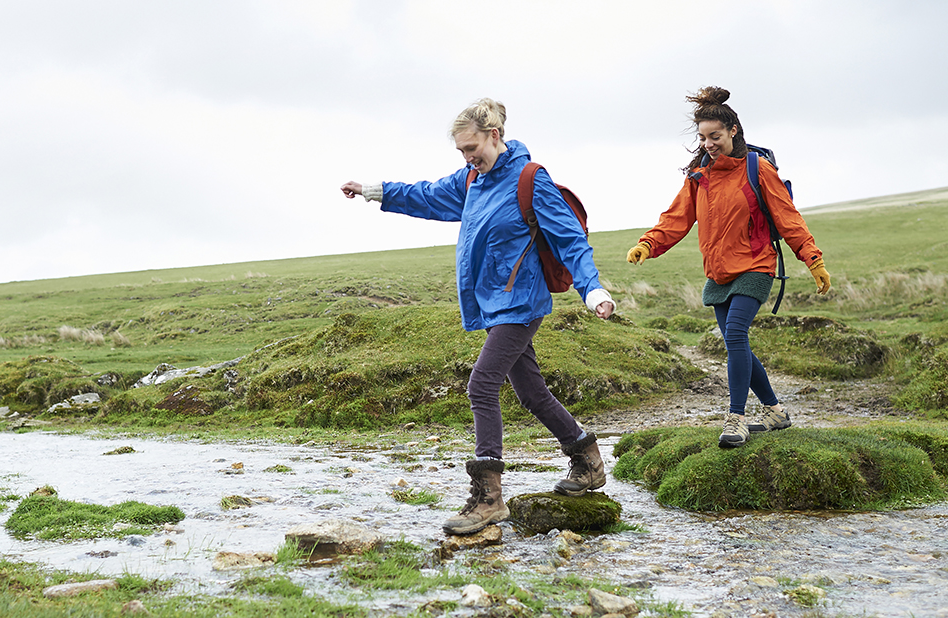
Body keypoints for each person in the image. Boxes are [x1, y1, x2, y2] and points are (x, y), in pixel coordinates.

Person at [341, 98, 615, 534]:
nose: (469, 157)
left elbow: (569, 240)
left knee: (481, 384)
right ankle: (587, 459)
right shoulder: (471, 180)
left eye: (473, 148)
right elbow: (427, 195)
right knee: (530, 393)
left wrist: (592, 289)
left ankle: (490, 497)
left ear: (495, 136)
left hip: (521, 302)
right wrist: (374, 189)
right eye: (461, 151)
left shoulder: (530, 180)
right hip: (493, 304)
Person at [625, 86, 831, 449]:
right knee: (737, 343)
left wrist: (812, 259)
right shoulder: (699, 176)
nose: (708, 143)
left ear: (733, 130)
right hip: (719, 272)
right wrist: (648, 243)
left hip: (756, 265)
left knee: (735, 333)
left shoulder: (758, 169)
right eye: (703, 137)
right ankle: (775, 410)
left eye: (715, 136)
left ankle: (735, 419)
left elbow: (788, 218)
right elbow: (676, 218)